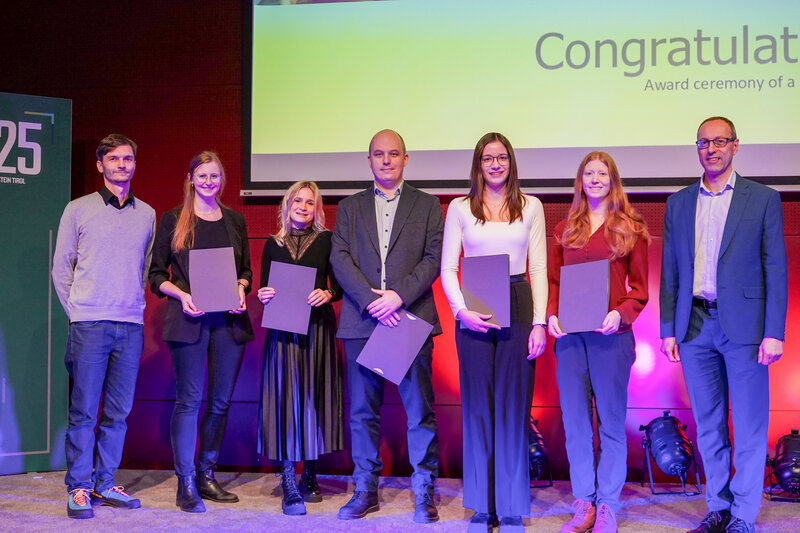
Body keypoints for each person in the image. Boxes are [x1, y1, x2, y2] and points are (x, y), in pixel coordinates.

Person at [660, 117, 788, 533]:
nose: (711, 148)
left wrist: (774, 331)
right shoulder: (678, 202)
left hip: (748, 329)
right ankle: (718, 506)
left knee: (750, 426)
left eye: (720, 141)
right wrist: (667, 328)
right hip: (695, 325)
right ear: (697, 148)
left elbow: (776, 268)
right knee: (709, 426)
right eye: (703, 142)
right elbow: (670, 272)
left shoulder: (763, 198)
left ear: (736, 146)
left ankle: (744, 515)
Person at [330, 129, 443, 524]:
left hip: (410, 317)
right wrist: (372, 300)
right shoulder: (348, 207)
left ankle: (424, 491)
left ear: (406, 159)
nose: (386, 160)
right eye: (378, 154)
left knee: (419, 413)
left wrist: (397, 296)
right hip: (363, 320)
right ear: (369, 160)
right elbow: (339, 258)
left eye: (393, 154)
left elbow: (433, 259)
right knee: (362, 413)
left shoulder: (428, 205)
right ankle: (365, 490)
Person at [440, 132, 547, 532]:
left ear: (511, 162)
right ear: (478, 164)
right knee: (478, 410)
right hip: (474, 306)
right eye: (488, 158)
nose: (496, 164)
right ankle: (483, 507)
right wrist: (461, 310)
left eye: (502, 158)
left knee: (514, 410)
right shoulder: (460, 208)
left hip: (518, 301)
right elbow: (449, 267)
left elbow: (537, 269)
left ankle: (512, 504)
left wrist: (539, 322)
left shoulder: (531, 206)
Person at [52, 133, 155, 519]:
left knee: (118, 412)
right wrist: (78, 310)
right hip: (89, 325)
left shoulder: (146, 214)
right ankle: (78, 486)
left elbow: (144, 269)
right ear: (100, 165)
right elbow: (61, 268)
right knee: (83, 412)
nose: (122, 165)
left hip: (129, 325)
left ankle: (105, 481)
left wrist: (133, 305)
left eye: (128, 158)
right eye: (114, 159)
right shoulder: (78, 209)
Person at [547, 151, 650, 533]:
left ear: (612, 179)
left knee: (609, 425)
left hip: (611, 339)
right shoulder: (564, 229)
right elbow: (554, 284)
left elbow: (639, 290)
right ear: (580, 180)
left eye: (601, 173)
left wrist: (619, 313)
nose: (594, 179)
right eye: (588, 173)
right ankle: (583, 503)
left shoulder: (631, 227)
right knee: (575, 425)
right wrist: (551, 315)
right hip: (571, 342)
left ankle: (607, 505)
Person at [148, 151, 254, 513]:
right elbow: (156, 276)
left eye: (215, 176)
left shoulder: (235, 220)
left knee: (221, 401)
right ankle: (186, 481)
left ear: (221, 180)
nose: (209, 182)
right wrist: (181, 293)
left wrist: (241, 288)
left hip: (228, 321)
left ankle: (207, 475)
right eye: (202, 176)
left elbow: (246, 271)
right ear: (191, 179)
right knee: (189, 401)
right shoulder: (173, 220)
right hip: (188, 319)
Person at [257, 181, 344, 516]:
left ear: (317, 208)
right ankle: (288, 479)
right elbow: (266, 288)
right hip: (282, 331)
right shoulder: (271, 243)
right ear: (287, 204)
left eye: (310, 202)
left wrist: (329, 294)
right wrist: (263, 294)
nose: (303, 207)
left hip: (317, 329)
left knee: (313, 398)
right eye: (298, 201)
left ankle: (310, 471)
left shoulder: (327, 240)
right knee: (285, 401)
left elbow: (338, 284)